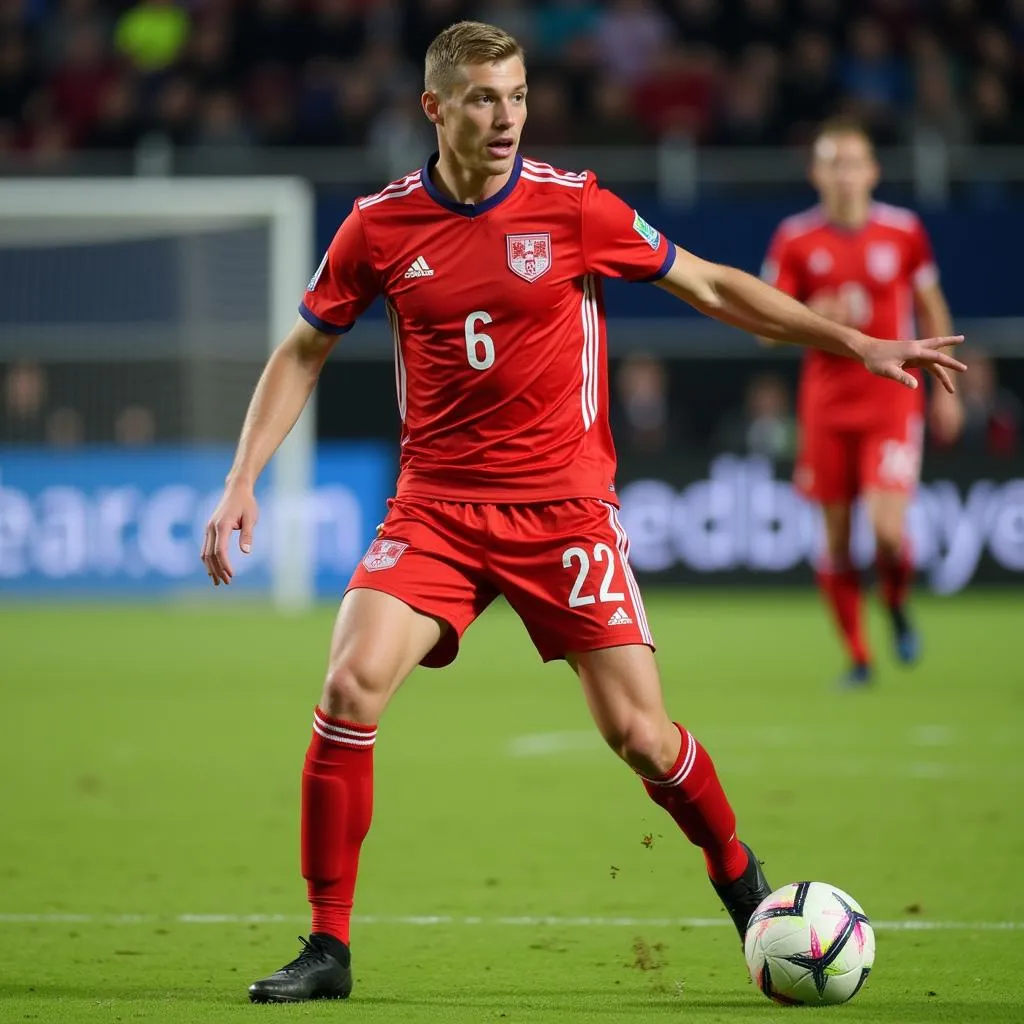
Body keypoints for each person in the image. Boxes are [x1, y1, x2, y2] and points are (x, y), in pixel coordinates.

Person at [200, 23, 966, 1004]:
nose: (506, 115)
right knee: (350, 685)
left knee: (641, 737)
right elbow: (303, 349)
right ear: (434, 109)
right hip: (433, 509)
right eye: (482, 97)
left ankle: (741, 882)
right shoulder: (378, 225)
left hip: (564, 515)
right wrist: (241, 478)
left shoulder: (573, 207)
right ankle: (328, 945)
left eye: (516, 95)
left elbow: (711, 286)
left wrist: (856, 342)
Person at [760, 116, 964, 687]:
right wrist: (815, 315)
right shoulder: (795, 238)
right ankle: (859, 656)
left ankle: (896, 605)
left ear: (872, 171)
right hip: (825, 404)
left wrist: (950, 391)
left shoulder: (903, 231)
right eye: (833, 163)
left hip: (892, 399)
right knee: (835, 539)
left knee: (889, 532)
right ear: (815, 173)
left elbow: (931, 306)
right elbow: (763, 329)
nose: (844, 175)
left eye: (854, 163)